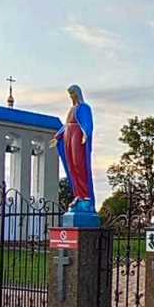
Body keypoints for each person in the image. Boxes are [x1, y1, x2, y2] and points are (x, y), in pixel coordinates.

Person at [52, 85, 94, 213]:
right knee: (71, 166)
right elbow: (66, 125)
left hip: (77, 135)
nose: (71, 96)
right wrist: (58, 136)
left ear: (77, 94)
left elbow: (87, 123)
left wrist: (86, 134)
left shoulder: (84, 108)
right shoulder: (72, 109)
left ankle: (85, 195)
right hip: (68, 135)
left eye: (73, 93)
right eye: (70, 94)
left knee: (78, 164)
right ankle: (78, 195)